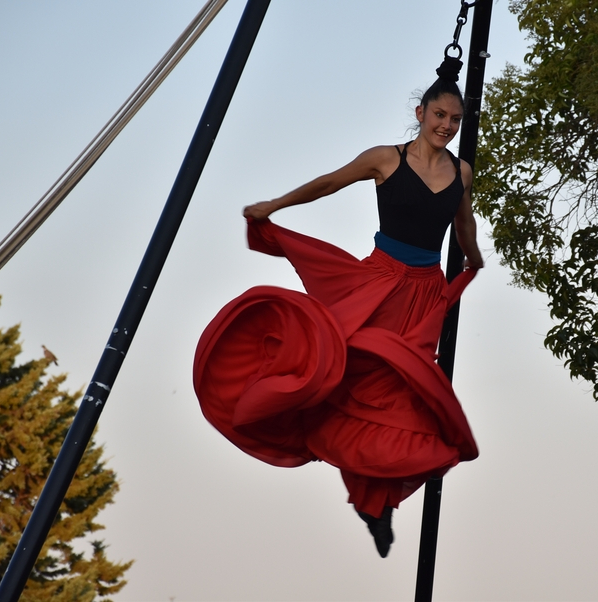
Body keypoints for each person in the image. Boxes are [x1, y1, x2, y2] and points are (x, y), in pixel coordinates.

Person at [193, 57, 484, 558]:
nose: (447, 126)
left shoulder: (461, 171)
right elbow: (329, 182)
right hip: (379, 282)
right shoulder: (386, 159)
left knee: (404, 400)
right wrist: (274, 206)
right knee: (350, 382)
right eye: (439, 115)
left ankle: (377, 504)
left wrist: (473, 260)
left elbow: (463, 223)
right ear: (420, 113)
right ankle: (369, 498)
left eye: (455, 120)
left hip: (423, 297)